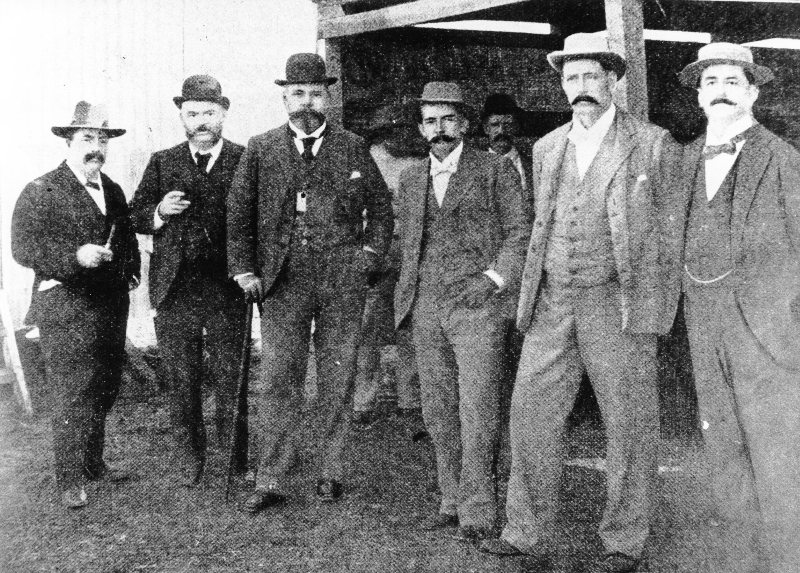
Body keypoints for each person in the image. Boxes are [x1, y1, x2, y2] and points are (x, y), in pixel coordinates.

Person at [478, 32, 681, 573]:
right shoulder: (547, 147)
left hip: (617, 305)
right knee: (529, 415)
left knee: (629, 423)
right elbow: (540, 225)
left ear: (612, 80)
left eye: (592, 75)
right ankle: (524, 532)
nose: (581, 87)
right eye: (572, 78)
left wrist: (654, 309)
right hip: (552, 301)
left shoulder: (652, 143)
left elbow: (671, 234)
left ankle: (624, 541)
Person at [226, 53, 393, 511]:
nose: (306, 102)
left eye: (315, 94)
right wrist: (244, 269)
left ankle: (330, 471)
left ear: (327, 97)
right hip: (283, 282)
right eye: (297, 93)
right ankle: (272, 476)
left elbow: (381, 210)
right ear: (284, 99)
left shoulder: (352, 146)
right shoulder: (261, 148)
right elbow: (239, 215)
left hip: (342, 281)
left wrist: (369, 256)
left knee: (337, 377)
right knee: (279, 377)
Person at [677, 42, 800, 573]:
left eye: (732, 82)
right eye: (711, 82)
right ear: (699, 96)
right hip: (702, 324)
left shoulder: (783, 158)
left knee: (777, 455)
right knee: (722, 447)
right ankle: (740, 563)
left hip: (766, 329)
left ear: (752, 93)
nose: (721, 91)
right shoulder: (684, 158)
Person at [394, 81, 530, 542]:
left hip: (478, 308)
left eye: (448, 119)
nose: (440, 129)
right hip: (426, 307)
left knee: (478, 409)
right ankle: (450, 500)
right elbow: (405, 242)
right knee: (438, 410)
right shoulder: (411, 178)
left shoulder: (494, 170)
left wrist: (493, 279)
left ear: (466, 125)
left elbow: (521, 233)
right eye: (430, 121)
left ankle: (479, 509)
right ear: (420, 128)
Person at [11, 101, 140, 508]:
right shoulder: (40, 189)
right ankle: (69, 478)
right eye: (87, 138)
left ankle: (93, 463)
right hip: (66, 307)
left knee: (104, 384)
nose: (96, 148)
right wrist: (75, 256)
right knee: (72, 392)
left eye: (102, 140)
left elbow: (127, 237)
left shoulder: (112, 188)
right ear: (68, 142)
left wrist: (132, 272)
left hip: (110, 305)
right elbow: (22, 247)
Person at [129, 75, 246, 487]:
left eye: (209, 113)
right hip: (175, 288)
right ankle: (189, 457)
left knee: (231, 377)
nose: (201, 122)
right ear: (182, 117)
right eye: (193, 114)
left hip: (227, 286)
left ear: (223, 114)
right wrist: (159, 211)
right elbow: (135, 213)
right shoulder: (163, 161)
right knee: (182, 377)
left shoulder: (245, 159)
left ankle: (234, 459)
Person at [351, 103, 423, 432]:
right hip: (375, 251)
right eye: (392, 130)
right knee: (366, 328)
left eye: (404, 129)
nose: (399, 136)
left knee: (410, 325)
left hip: (410, 251)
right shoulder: (368, 158)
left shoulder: (421, 160)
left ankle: (411, 400)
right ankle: (364, 401)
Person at [480, 92, 532, 216]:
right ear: (486, 128)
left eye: (508, 124)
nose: (502, 131)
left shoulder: (532, 165)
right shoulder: (473, 165)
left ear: (516, 127)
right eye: (495, 125)